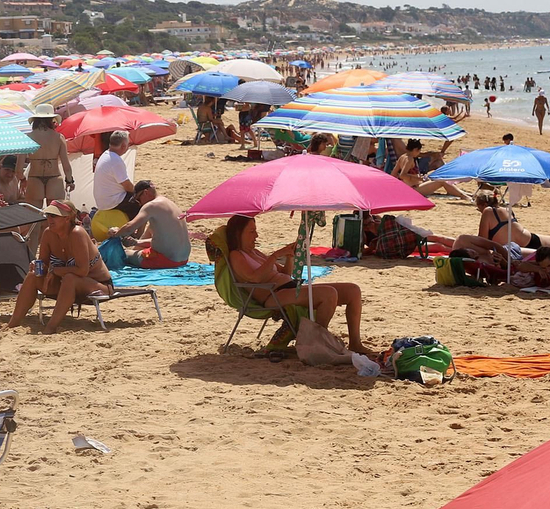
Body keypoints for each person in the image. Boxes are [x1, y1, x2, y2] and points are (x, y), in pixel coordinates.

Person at [223, 214, 367, 354]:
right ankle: (316, 342)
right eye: (252, 232)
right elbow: (254, 278)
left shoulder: (255, 253)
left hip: (290, 288)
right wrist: (275, 256)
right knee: (329, 294)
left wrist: (290, 256)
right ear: (238, 234)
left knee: (353, 290)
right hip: (273, 296)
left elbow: (285, 274)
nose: (256, 236)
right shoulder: (236, 256)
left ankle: (355, 343)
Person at [7, 200, 113, 334]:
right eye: (48, 215)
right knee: (33, 276)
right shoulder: (48, 234)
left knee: (70, 278)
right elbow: (44, 264)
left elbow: (82, 270)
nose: (49, 219)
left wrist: (55, 270)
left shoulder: (77, 233)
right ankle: (13, 324)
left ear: (67, 218)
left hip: (98, 285)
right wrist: (38, 266)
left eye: (54, 216)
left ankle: (50, 327)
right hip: (66, 285)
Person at [112, 182, 191, 268]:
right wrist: (136, 242)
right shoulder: (168, 202)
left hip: (165, 260)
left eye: (138, 199)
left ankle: (137, 254)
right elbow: (165, 239)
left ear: (146, 192)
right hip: (183, 259)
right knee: (150, 228)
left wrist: (116, 233)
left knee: (125, 254)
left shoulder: (151, 205)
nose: (139, 204)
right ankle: (136, 251)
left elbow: (129, 228)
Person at [475, 187, 550, 255]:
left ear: (483, 205)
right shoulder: (508, 210)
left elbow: (482, 241)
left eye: (478, 207)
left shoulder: (487, 211)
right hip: (532, 242)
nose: (478, 210)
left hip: (521, 251)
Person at [23, 110, 73, 208]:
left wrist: (22, 179)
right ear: (51, 120)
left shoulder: (27, 138)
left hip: (34, 178)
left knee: (33, 218)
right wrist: (69, 181)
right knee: (56, 216)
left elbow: (18, 168)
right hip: (54, 178)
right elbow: (66, 166)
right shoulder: (59, 137)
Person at [393, 138, 471, 198]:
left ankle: (463, 193)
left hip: (409, 187)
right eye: (419, 151)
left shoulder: (402, 157)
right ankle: (464, 196)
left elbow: (393, 173)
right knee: (441, 181)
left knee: (436, 178)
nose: (419, 153)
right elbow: (403, 175)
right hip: (414, 189)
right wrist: (420, 179)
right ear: (415, 150)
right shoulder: (409, 159)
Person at [91, 130, 139, 218]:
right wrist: (137, 193)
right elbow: (127, 186)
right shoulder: (115, 160)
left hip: (103, 201)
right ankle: (138, 230)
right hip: (112, 201)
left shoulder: (105, 155)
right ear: (124, 145)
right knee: (142, 203)